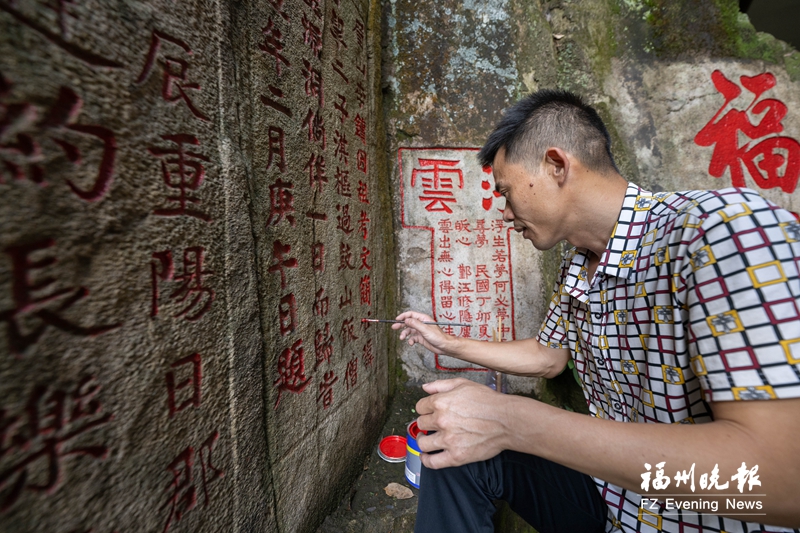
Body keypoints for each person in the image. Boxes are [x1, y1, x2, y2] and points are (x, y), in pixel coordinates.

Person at [392, 90, 800, 533]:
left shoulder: (724, 230)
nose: (507, 213)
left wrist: (515, 421)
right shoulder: (579, 261)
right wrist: (448, 343)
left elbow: (782, 480)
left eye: (507, 193)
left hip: (699, 517)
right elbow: (549, 357)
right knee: (449, 440)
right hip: (614, 498)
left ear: (557, 165)